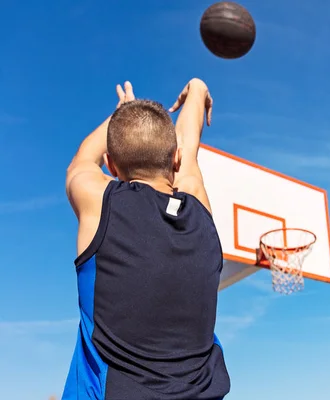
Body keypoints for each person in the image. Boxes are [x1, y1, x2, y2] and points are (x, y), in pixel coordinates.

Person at [62, 79, 230, 400]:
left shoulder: (101, 202)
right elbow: (190, 146)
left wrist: (122, 115)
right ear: (176, 160)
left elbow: (81, 163)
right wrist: (197, 89)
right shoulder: (199, 210)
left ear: (111, 165)